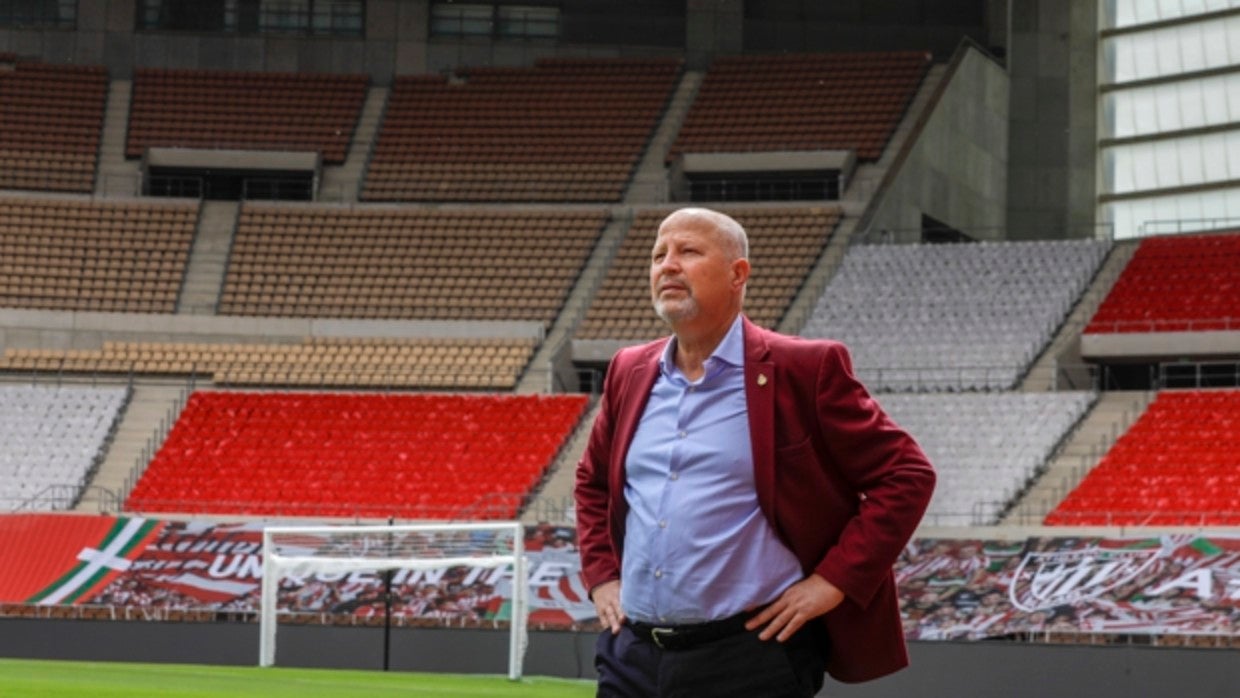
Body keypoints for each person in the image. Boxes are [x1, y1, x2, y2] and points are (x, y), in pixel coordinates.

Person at [574, 207, 936, 697]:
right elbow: (593, 482)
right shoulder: (628, 370)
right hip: (632, 657)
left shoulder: (803, 368)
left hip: (748, 660)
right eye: (659, 255)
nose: (668, 265)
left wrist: (832, 582)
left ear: (738, 273)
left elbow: (907, 475)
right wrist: (601, 576)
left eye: (689, 251)